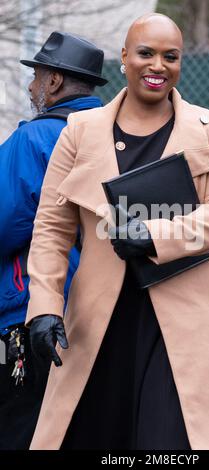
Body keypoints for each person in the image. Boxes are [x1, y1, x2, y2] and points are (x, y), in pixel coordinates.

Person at [26, 14, 209, 450]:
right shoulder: (79, 133)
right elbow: (52, 227)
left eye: (171, 56)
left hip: (188, 318)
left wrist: (153, 235)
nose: (158, 65)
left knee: (174, 442)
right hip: (99, 320)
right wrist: (45, 304)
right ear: (124, 58)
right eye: (146, 53)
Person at [0, 31, 107, 450]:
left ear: (54, 82)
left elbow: (5, 223)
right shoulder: (114, 135)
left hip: (27, 318)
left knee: (22, 428)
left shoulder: (32, 139)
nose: (31, 87)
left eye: (36, 76)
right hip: (102, 310)